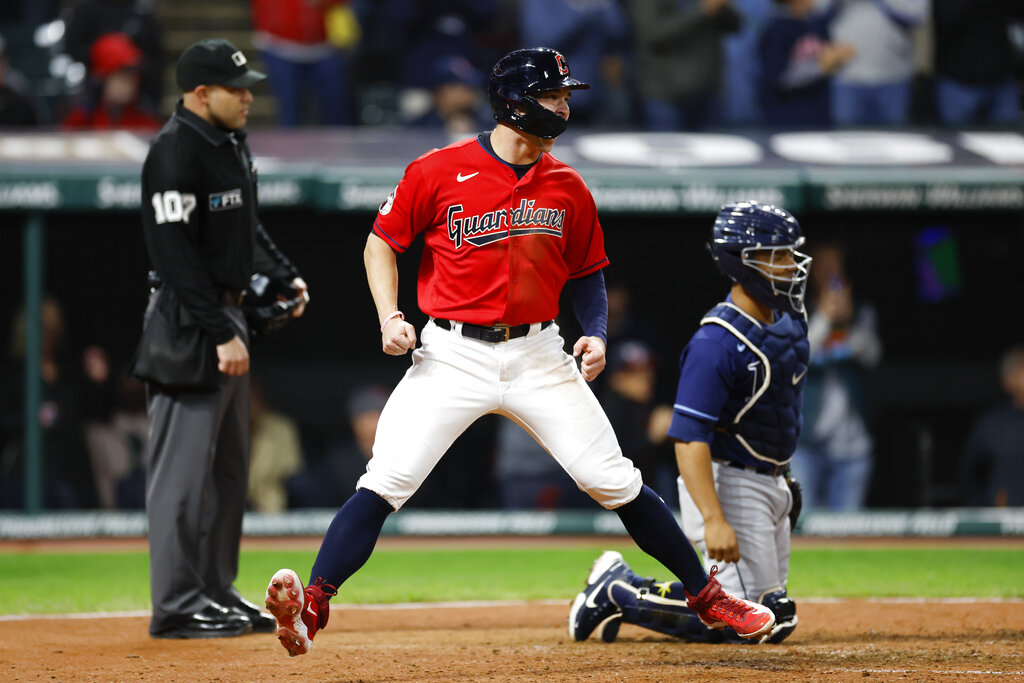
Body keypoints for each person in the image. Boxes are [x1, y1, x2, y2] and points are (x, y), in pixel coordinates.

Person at [263, 47, 776, 658]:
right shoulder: (438, 169)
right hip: (451, 353)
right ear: (515, 102)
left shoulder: (567, 184)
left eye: (564, 96)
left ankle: (707, 597)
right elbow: (381, 245)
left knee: (613, 481)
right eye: (554, 96)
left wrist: (597, 331)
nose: (564, 106)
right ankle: (313, 604)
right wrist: (389, 316)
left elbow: (587, 272)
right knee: (386, 480)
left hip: (538, 352)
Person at [569, 201, 811, 646]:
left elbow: (773, 415)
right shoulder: (717, 341)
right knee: (748, 626)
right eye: (777, 256)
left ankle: (627, 586)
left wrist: (781, 479)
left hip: (767, 481)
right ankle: (619, 590)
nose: (791, 265)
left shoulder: (789, 323)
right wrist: (713, 518)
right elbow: (688, 438)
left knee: (775, 615)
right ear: (743, 260)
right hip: (725, 482)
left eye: (790, 254)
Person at [135, 38, 309, 639]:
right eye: (237, 87)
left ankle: (213, 591)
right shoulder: (173, 150)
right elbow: (173, 253)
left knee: (229, 473)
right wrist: (218, 331)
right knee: (182, 478)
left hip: (225, 318)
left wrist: (284, 274)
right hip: (189, 321)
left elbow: (245, 228)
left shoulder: (229, 143)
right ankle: (177, 604)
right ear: (200, 92)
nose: (248, 95)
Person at [791, 242, 881, 511]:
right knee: (803, 525)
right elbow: (796, 356)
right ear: (812, 270)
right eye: (825, 265)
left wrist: (849, 321)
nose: (831, 272)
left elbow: (872, 356)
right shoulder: (797, 310)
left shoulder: (861, 311)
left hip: (852, 445)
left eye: (836, 265)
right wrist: (826, 318)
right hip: (805, 440)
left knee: (847, 530)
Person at [627, 0, 741, 131]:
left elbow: (735, 25)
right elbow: (653, 34)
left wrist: (722, 7)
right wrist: (703, 10)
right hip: (666, 95)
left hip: (707, 93)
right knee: (666, 150)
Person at [824, 0, 929, 126]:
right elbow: (817, 10)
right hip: (847, 76)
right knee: (847, 140)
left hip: (893, 77)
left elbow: (917, 16)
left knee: (894, 140)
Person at [249, 0, 354, 126]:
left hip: (324, 46)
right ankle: (289, 143)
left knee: (336, 108)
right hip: (280, 47)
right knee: (289, 111)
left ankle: (340, 143)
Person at [758, 0, 856, 128]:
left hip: (818, 115)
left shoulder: (817, 25)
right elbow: (779, 79)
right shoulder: (776, 30)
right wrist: (820, 67)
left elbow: (827, 64)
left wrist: (838, 59)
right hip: (786, 119)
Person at [932, 0, 1024, 127]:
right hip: (958, 82)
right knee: (956, 141)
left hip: (1001, 80)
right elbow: (946, 16)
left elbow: (1018, 12)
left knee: (1010, 141)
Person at [960, 346, 1024, 507]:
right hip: (1003, 523)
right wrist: (983, 511)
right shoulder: (992, 424)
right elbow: (969, 475)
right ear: (1008, 381)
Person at [60, 31, 162, 131]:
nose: (130, 84)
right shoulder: (80, 121)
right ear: (101, 81)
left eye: (133, 76)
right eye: (120, 77)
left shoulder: (147, 122)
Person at [247, 379, 304, 513]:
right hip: (232, 512)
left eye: (251, 398)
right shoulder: (221, 431)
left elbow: (292, 473)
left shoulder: (281, 428)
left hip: (275, 510)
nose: (248, 405)